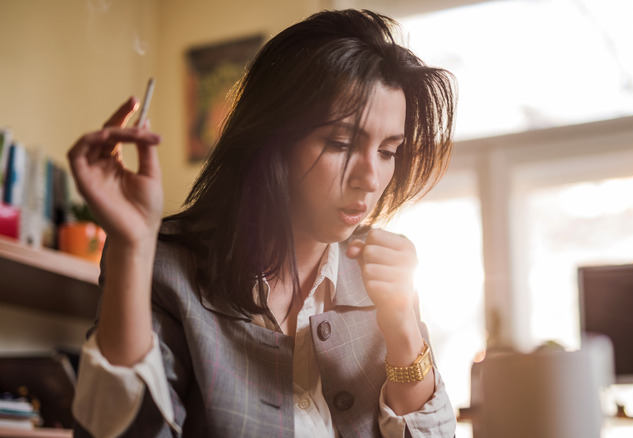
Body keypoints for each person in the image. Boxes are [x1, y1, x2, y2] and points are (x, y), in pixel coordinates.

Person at [67, 9, 457, 438]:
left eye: (387, 150)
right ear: (273, 140)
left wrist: (403, 325)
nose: (370, 178)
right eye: (340, 143)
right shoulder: (167, 268)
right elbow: (121, 432)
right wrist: (132, 245)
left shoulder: (384, 274)